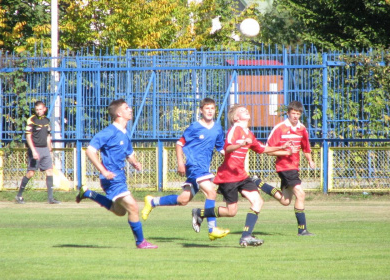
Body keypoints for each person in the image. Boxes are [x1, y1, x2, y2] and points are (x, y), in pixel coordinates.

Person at [192, 104, 292, 247]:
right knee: (231, 212)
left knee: (258, 201)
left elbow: (261, 149)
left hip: (242, 176)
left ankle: (246, 236)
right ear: (236, 118)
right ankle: (200, 213)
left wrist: (281, 147)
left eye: (246, 110)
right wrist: (241, 144)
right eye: (242, 111)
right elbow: (227, 148)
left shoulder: (248, 133)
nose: (246, 111)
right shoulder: (235, 130)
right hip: (228, 176)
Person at [141, 98, 230, 241]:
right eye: (207, 108)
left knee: (183, 200)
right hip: (194, 166)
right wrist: (180, 162)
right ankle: (212, 229)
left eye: (212, 108)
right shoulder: (195, 127)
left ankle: (152, 202)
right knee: (211, 193)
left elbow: (220, 148)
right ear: (201, 110)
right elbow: (179, 144)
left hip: (203, 168)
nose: (209, 111)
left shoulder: (218, 128)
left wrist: (234, 154)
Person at [75, 99, 158, 249]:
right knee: (133, 207)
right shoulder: (109, 132)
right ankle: (141, 242)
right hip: (112, 178)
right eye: (127, 108)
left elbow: (129, 153)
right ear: (119, 113)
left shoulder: (125, 133)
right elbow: (90, 151)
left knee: (120, 211)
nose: (130, 109)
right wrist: (104, 171)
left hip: (120, 177)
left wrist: (134, 162)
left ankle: (88, 193)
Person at [253, 100, 316, 236]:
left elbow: (306, 148)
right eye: (293, 113)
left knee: (285, 201)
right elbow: (267, 150)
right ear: (288, 113)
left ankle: (258, 183)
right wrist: (285, 152)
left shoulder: (302, 129)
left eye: (298, 114)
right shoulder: (280, 128)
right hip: (284, 167)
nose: (295, 116)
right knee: (300, 194)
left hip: (294, 167)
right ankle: (302, 230)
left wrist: (310, 160)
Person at [15, 101, 60, 204]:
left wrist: (50, 148)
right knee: (31, 173)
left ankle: (50, 198)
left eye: (40, 109)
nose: (39, 111)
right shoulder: (32, 120)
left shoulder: (47, 120)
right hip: (35, 149)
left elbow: (48, 136)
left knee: (49, 171)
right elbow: (28, 136)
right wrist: (33, 151)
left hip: (45, 149)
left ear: (45, 109)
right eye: (37, 110)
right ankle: (19, 195)